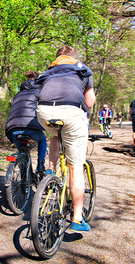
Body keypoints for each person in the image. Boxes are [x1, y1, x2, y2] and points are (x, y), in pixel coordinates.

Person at [35, 45, 96, 232]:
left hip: (43, 112)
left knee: (55, 133)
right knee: (75, 167)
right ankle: (77, 218)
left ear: (57, 57)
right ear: (74, 57)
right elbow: (90, 103)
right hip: (71, 111)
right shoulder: (83, 70)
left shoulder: (48, 72)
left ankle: (50, 170)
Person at [5, 71, 47, 173]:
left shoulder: (18, 95)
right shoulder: (40, 93)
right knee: (42, 140)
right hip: (30, 127)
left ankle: (24, 175)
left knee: (23, 153)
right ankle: (41, 165)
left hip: (12, 129)